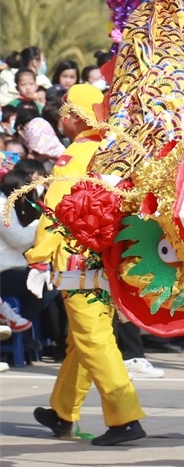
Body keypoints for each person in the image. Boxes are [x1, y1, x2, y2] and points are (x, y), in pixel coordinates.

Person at [26, 83, 146, 445]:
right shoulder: (114, 151)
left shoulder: (75, 154)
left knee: (93, 339)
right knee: (83, 340)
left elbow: (55, 208)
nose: (61, 118)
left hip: (76, 259)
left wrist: (39, 258)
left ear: (77, 118)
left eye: (65, 111)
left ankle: (125, 418)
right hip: (106, 257)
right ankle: (62, 411)